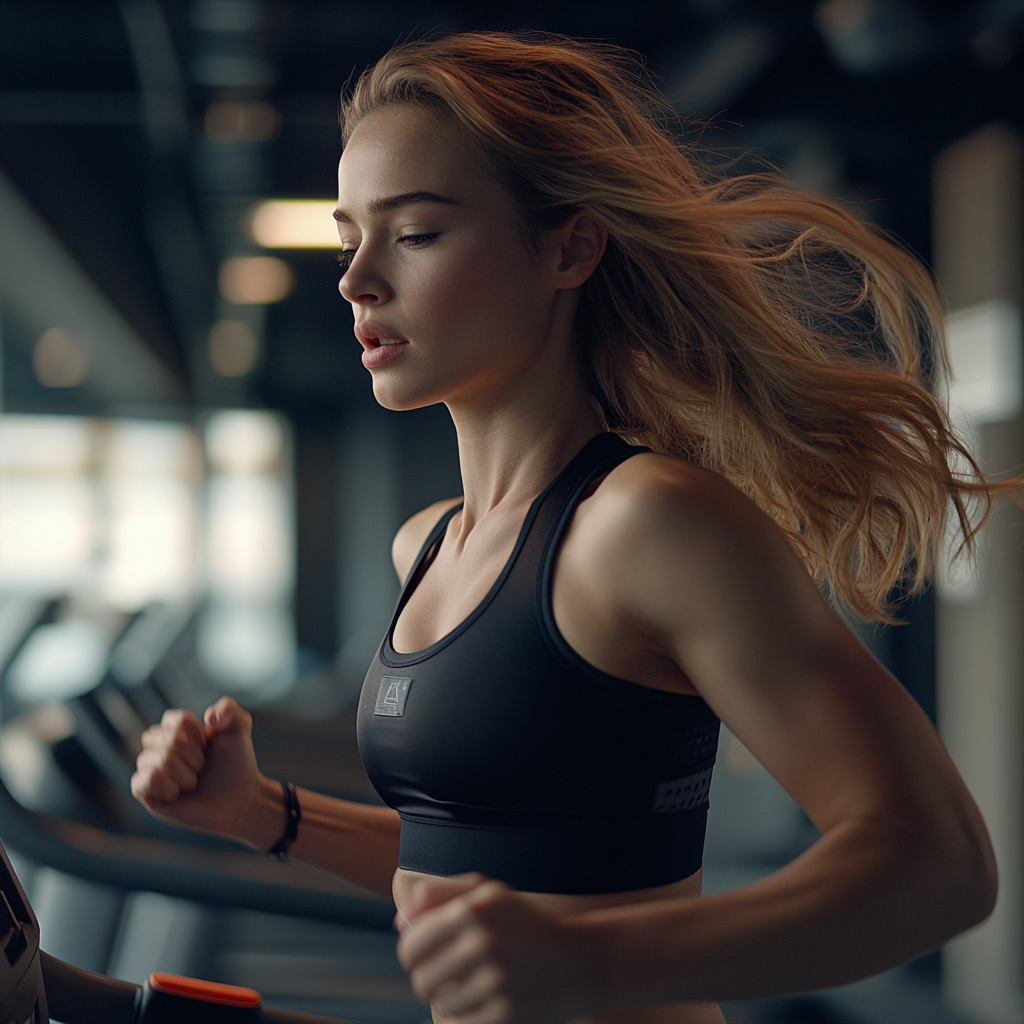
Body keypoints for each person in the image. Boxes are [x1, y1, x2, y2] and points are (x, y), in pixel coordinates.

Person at [131, 32, 1018, 1024]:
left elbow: (939, 860)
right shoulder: (429, 544)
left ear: (569, 247)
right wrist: (261, 812)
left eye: (414, 233)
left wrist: (594, 962)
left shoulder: (646, 522)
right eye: (350, 240)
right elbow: (483, 862)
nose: (357, 280)